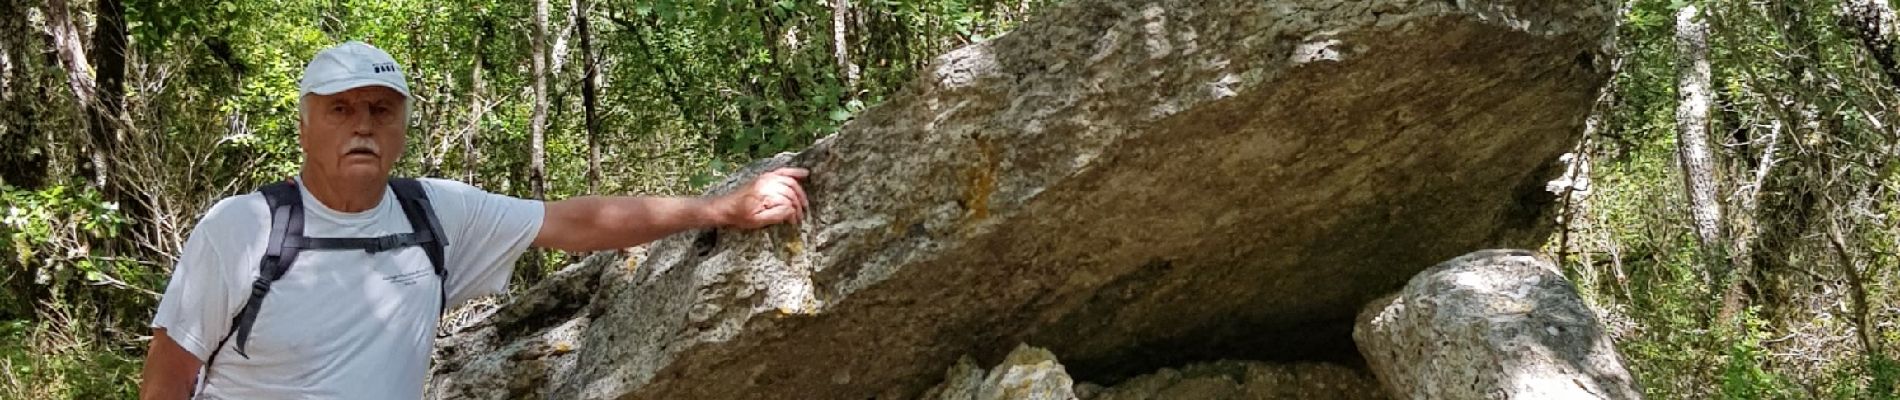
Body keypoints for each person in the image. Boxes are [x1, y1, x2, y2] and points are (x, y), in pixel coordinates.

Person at [136, 41, 809, 399]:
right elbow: (168, 379)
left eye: (381, 110)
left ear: (401, 127)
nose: (363, 127)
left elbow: (578, 222)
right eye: (341, 110)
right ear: (306, 125)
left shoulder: (434, 213)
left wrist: (718, 208)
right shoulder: (242, 231)